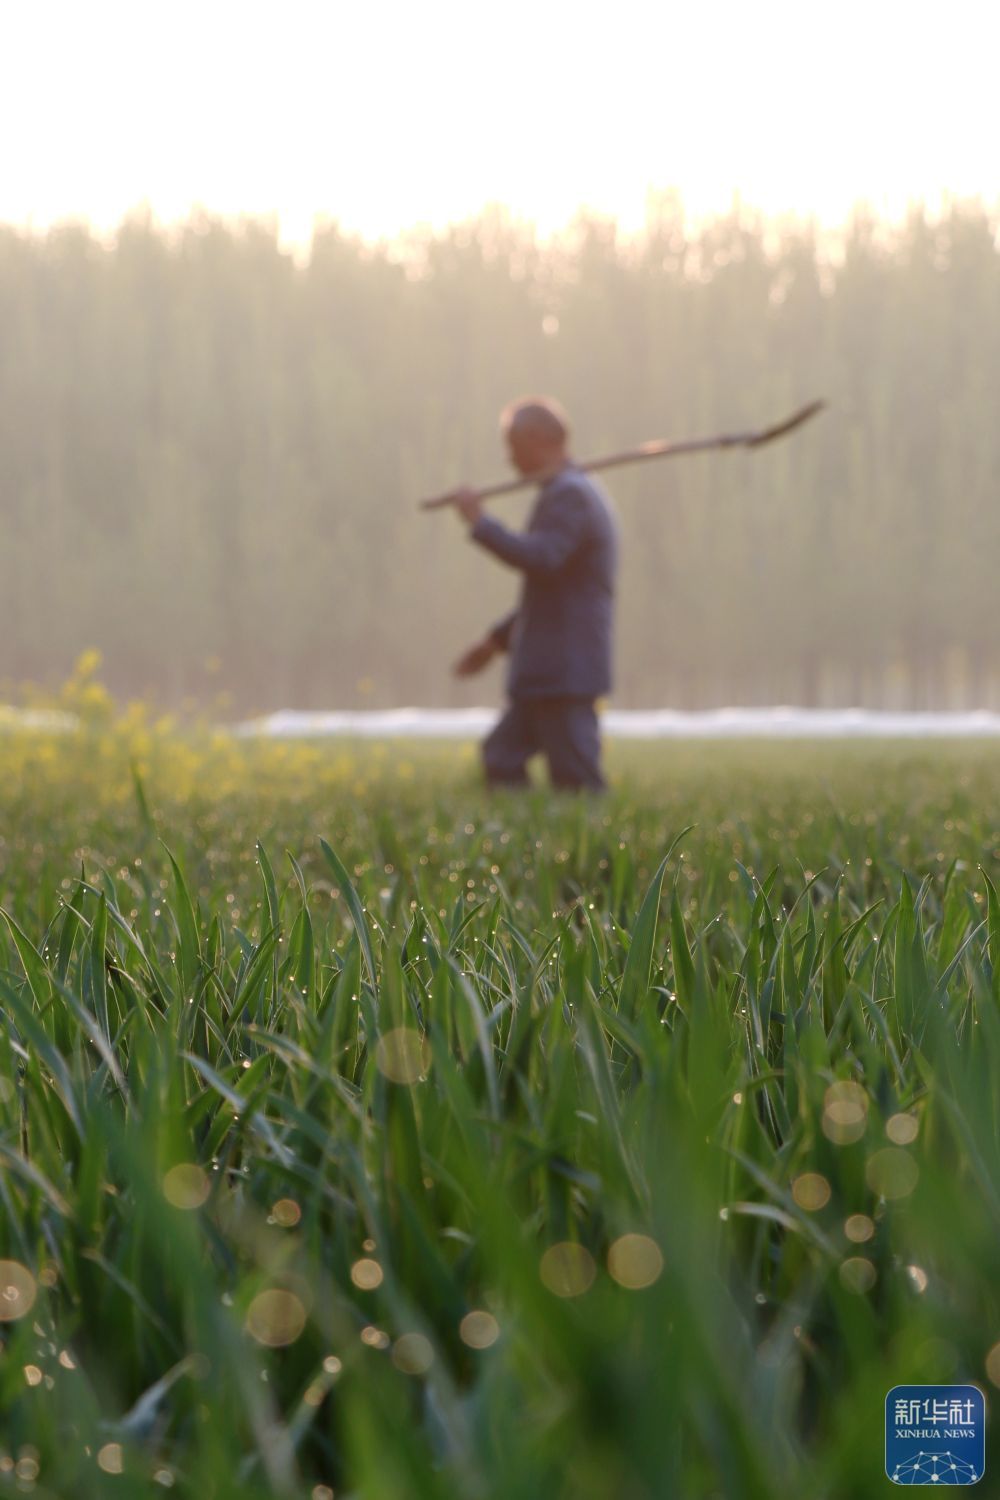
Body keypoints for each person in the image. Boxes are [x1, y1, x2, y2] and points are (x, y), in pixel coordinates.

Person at [450, 396, 619, 791]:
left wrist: (480, 523)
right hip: (548, 671)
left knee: (576, 781)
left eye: (514, 447)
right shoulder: (564, 491)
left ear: (538, 440)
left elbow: (542, 558)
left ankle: (589, 850)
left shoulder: (571, 494)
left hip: (564, 673)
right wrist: (496, 641)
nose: (510, 459)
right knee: (501, 758)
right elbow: (550, 592)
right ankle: (528, 844)